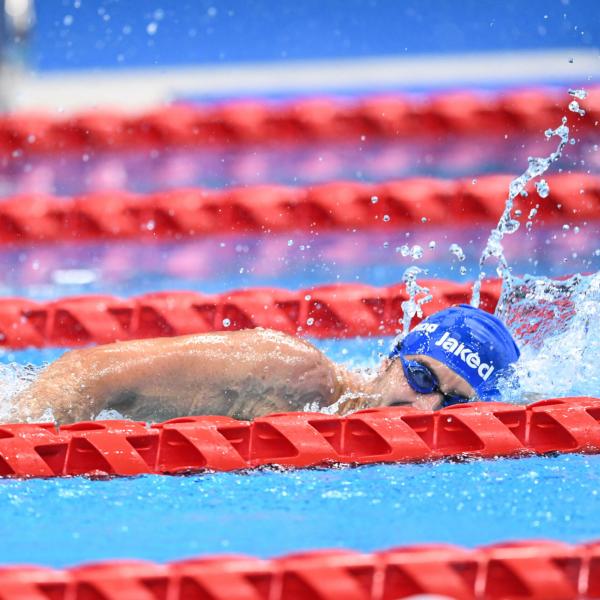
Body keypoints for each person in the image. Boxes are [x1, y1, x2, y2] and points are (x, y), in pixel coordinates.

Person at [13, 304, 520, 424]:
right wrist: (23, 436)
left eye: (453, 401)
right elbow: (83, 373)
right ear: (392, 360)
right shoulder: (288, 371)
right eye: (421, 376)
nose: (422, 405)